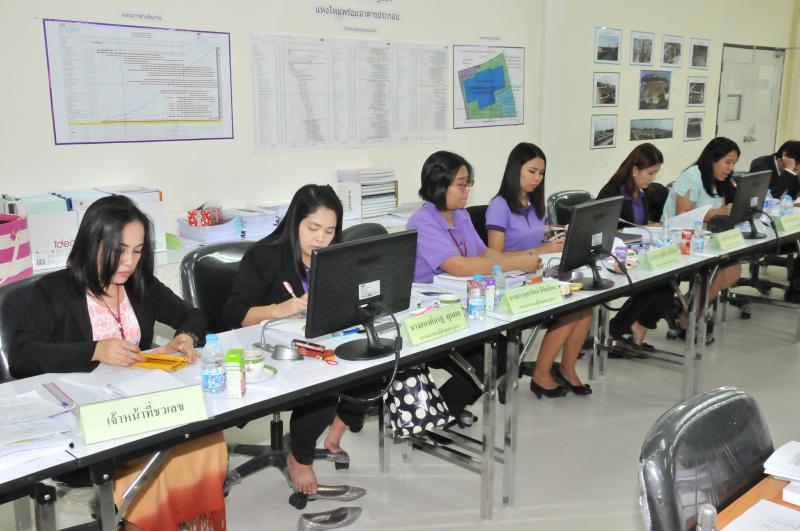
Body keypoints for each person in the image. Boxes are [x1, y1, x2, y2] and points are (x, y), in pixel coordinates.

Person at [11, 195, 226, 531]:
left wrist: (186, 336)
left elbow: (192, 315)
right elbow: (22, 355)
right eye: (119, 250)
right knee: (163, 447)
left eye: (137, 251)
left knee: (203, 436)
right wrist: (94, 350)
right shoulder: (54, 291)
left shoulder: (140, 284)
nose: (129, 262)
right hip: (85, 417)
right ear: (92, 243)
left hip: (140, 403)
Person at [223, 184, 365, 497]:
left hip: (319, 343)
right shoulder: (264, 257)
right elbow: (234, 314)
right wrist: (280, 309)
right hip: (267, 351)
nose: (321, 239)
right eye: (313, 228)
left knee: (375, 359)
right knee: (326, 379)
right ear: (294, 223)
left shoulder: (334, 255)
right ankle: (300, 457)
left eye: (330, 231)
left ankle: (336, 428)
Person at [406, 150, 543, 418]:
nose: (467, 189)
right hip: (433, 316)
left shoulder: (460, 214)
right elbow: (458, 266)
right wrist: (514, 263)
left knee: (504, 354)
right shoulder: (421, 222)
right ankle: (434, 418)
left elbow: (483, 253)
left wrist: (518, 260)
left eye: (468, 182)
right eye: (461, 184)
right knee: (485, 365)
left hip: (467, 305)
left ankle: (444, 412)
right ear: (439, 184)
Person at [485, 142, 592, 397]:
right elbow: (495, 257)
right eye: (531, 171)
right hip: (511, 280)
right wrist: (541, 250)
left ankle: (566, 369)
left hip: (537, 273)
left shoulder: (533, 203)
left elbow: (537, 242)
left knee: (585, 306)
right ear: (515, 170)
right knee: (570, 309)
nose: (537, 178)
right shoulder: (499, 206)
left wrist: (552, 241)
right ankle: (541, 374)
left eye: (541, 173)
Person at [661, 137, 743, 342]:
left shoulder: (718, 180)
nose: (730, 168)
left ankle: (687, 306)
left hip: (704, 238)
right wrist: (722, 211)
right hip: (677, 238)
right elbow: (683, 215)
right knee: (717, 272)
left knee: (732, 270)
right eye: (728, 162)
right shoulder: (692, 177)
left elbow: (719, 214)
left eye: (734, 163)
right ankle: (688, 319)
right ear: (713, 159)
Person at [597, 143, 674, 348]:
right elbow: (606, 231)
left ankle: (637, 325)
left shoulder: (641, 192)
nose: (653, 179)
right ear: (634, 170)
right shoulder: (612, 192)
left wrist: (650, 227)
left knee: (668, 280)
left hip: (637, 250)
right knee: (655, 283)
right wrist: (643, 229)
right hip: (613, 255)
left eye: (655, 173)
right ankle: (615, 331)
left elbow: (637, 224)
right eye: (650, 173)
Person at [751, 141, 800, 302]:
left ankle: (795, 289)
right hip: (760, 228)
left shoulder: (793, 171)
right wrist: (789, 171)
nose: (797, 172)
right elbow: (771, 197)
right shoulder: (761, 165)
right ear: (782, 159)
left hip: (784, 226)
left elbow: (793, 197)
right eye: (796, 168)